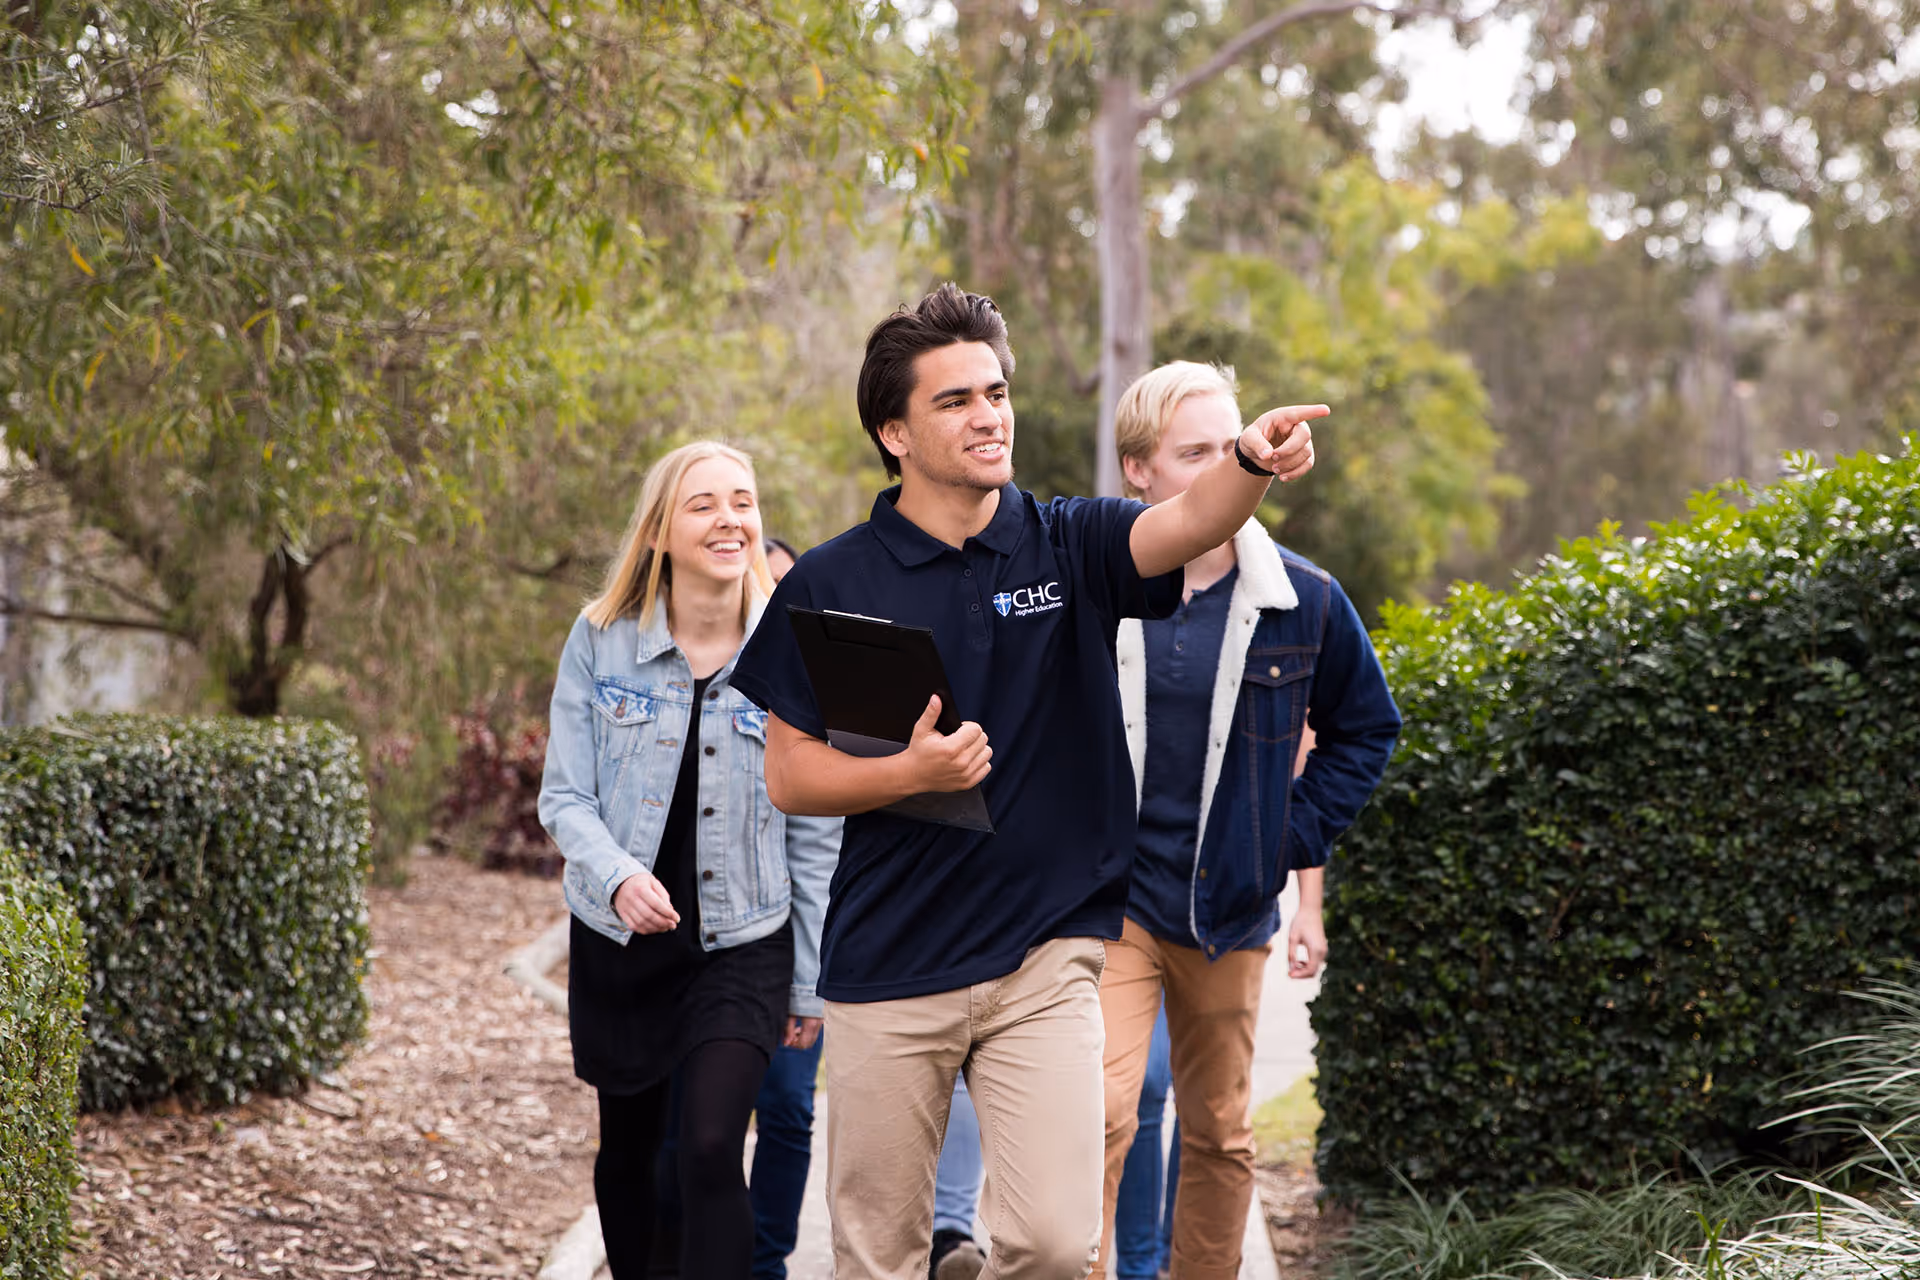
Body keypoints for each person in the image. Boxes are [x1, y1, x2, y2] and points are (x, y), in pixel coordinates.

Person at [728, 284, 1322, 1280]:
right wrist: (908, 769)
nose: (988, 414)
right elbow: (789, 773)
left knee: (1051, 1242)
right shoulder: (831, 582)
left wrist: (1252, 462)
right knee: (877, 1253)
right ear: (894, 431)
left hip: (1044, 960)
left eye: (995, 391)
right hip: (889, 962)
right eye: (955, 399)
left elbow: (1183, 523)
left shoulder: (1069, 540)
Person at [1093, 362, 1400, 1280]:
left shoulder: (1303, 597)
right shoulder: (1094, 588)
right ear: (1138, 469)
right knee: (1102, 1112)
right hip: (1109, 903)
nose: (1224, 465)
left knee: (1221, 1132)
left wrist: (1285, 840)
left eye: (1232, 447)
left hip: (1227, 908)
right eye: (1196, 453)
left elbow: (1367, 728)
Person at [538, 442, 841, 1280]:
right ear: (661, 531)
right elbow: (564, 797)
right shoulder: (600, 641)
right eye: (703, 503)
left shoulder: (795, 653)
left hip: (745, 939)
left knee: (710, 1149)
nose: (729, 518)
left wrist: (809, 980)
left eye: (742, 500)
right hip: (622, 944)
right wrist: (621, 876)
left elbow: (815, 829)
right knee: (632, 1158)